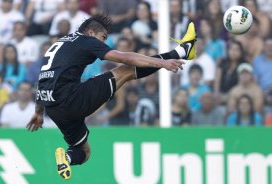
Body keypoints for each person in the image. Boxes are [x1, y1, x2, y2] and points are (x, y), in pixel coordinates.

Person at [26, 14, 197, 180]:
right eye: (103, 37)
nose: (104, 42)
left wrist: (39, 113)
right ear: (92, 32)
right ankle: (183, 51)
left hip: (53, 108)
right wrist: (162, 63)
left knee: (84, 152)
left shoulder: (60, 43)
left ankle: (67, 159)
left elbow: (44, 78)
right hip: (71, 99)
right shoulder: (86, 41)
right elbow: (125, 58)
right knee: (125, 70)